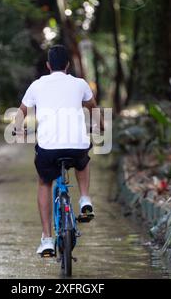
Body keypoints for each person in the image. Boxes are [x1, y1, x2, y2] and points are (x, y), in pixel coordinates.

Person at [14, 45, 103, 257]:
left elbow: (20, 113)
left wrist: (19, 130)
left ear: (48, 65)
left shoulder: (37, 85)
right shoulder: (80, 84)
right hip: (76, 146)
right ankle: (85, 199)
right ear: (68, 65)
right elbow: (93, 108)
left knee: (45, 182)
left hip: (48, 149)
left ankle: (46, 238)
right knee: (83, 160)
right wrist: (101, 126)